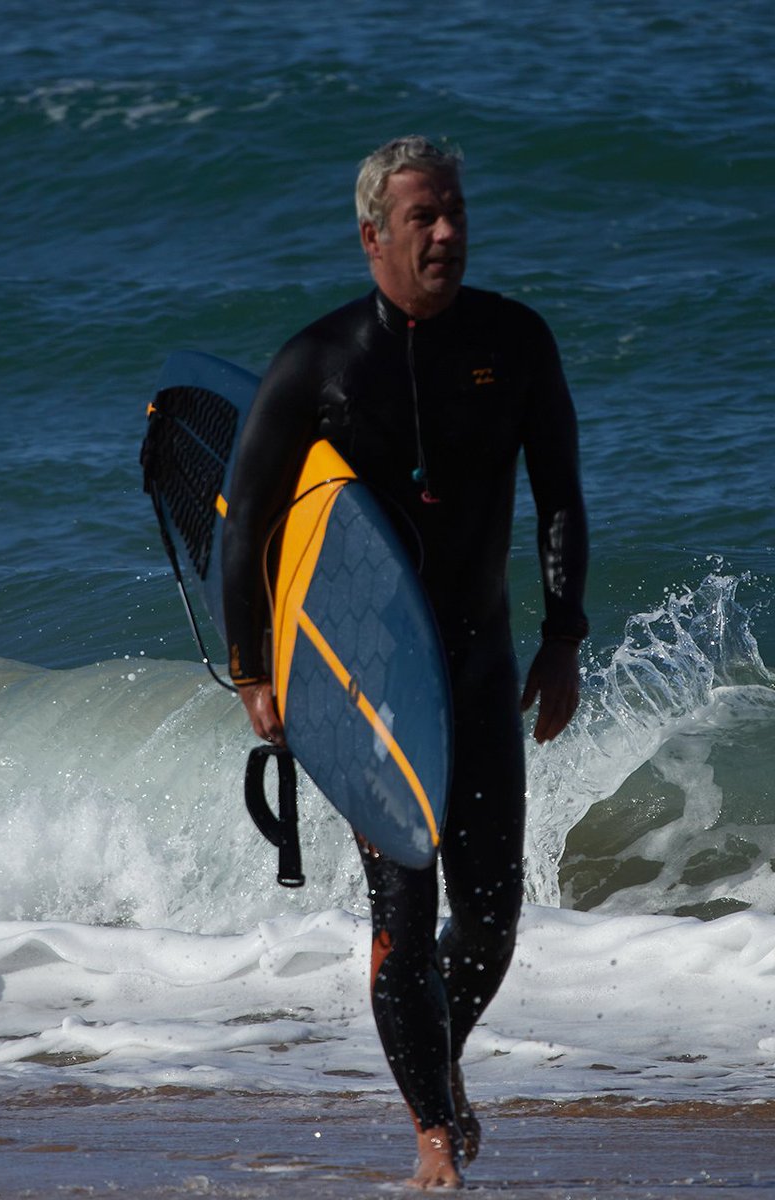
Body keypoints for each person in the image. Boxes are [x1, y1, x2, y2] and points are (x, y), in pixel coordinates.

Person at [220, 136, 589, 1189]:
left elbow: (560, 494)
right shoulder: (320, 365)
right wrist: (258, 670)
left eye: (457, 212)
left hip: (481, 665)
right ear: (372, 234)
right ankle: (434, 1131)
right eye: (424, 217)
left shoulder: (515, 342)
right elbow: (247, 524)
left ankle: (441, 1063)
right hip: (370, 680)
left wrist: (565, 637)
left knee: (492, 914)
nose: (448, 233)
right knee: (403, 912)